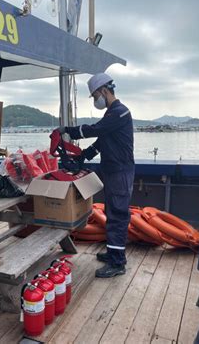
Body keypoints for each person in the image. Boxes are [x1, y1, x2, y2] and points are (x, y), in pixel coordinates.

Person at [58, 73, 134, 278]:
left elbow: (96, 130)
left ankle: (118, 264)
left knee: (117, 216)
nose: (95, 100)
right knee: (112, 212)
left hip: (120, 172)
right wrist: (84, 156)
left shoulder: (119, 112)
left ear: (104, 91)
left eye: (94, 96)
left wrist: (67, 131)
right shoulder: (112, 114)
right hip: (113, 171)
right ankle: (113, 254)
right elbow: (102, 141)